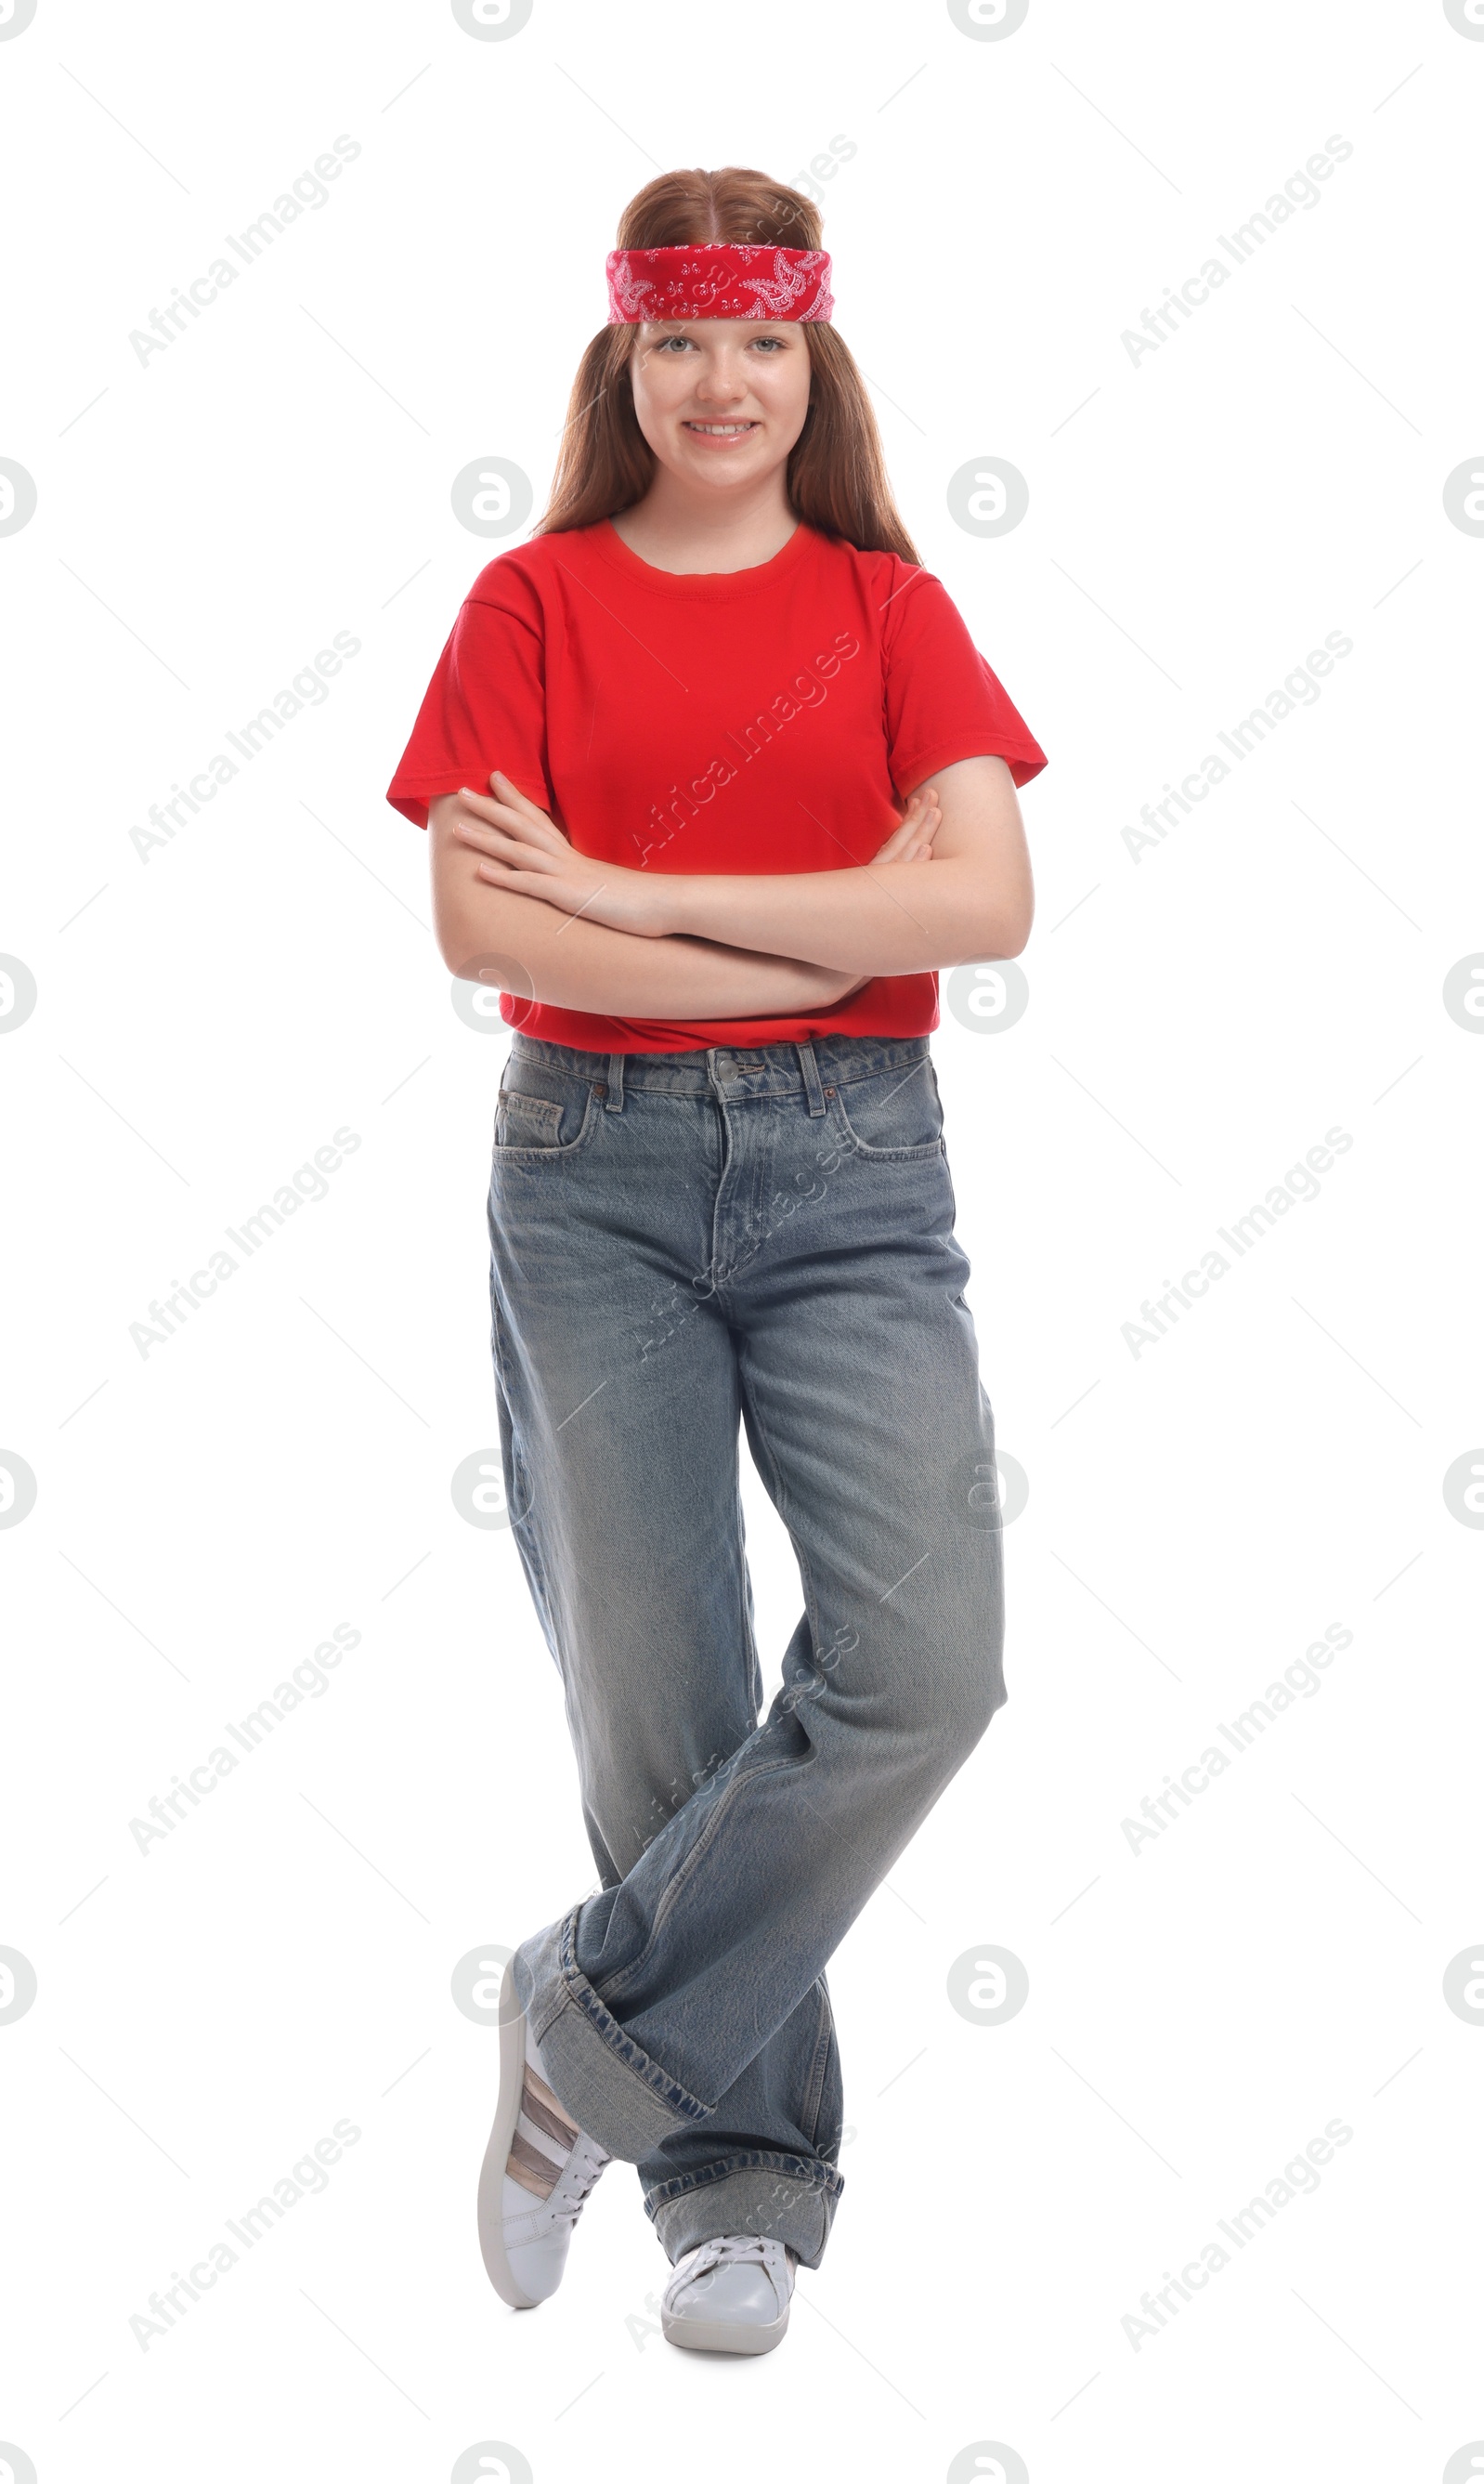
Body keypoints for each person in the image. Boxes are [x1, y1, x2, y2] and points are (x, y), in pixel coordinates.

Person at [385, 164, 1048, 2358]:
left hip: (860, 1174)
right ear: (623, 358)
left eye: (759, 340)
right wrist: (800, 910)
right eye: (679, 339)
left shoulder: (886, 607)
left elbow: (980, 911)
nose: (720, 381)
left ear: (812, 357)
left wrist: (642, 896)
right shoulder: (530, 601)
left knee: (924, 1660)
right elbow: (487, 931)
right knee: (660, 1695)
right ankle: (729, 2186)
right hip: (590, 1173)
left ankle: (576, 2031)